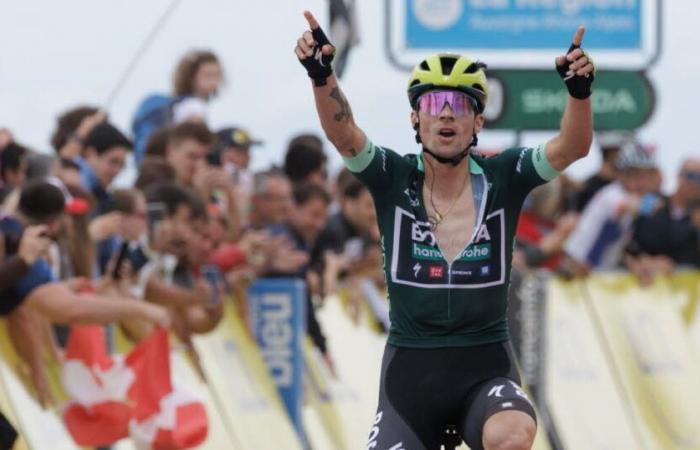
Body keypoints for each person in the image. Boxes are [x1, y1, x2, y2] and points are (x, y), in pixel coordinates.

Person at [295, 11, 594, 450]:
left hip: (485, 368)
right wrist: (322, 77)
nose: (447, 116)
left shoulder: (504, 176)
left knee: (512, 435)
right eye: (434, 104)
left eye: (461, 105)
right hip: (410, 377)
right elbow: (344, 136)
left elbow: (572, 146)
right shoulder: (392, 176)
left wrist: (579, 93)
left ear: (478, 122)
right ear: (416, 119)